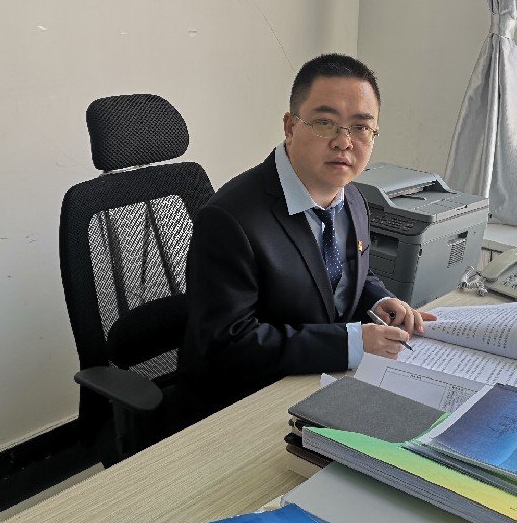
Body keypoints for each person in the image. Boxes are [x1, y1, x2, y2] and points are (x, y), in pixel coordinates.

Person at [180, 53, 435, 411]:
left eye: (361, 127)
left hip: (322, 383)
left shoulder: (353, 198)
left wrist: (378, 301)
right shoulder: (229, 219)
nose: (344, 142)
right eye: (325, 123)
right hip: (246, 401)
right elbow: (227, 345)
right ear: (290, 126)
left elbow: (345, 274)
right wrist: (351, 344)